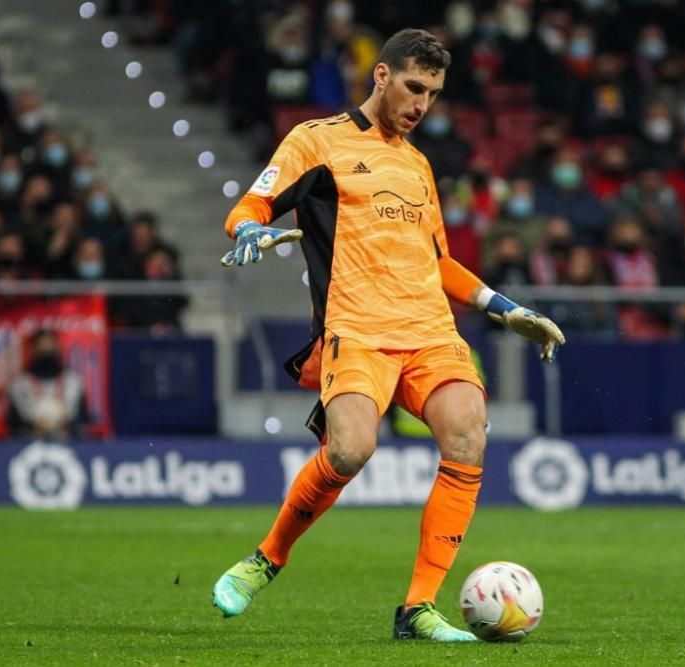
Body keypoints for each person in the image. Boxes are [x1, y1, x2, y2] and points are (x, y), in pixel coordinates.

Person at [212, 29, 564, 642]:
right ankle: (266, 559)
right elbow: (252, 205)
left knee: (468, 434)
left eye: (433, 93)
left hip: (429, 329)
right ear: (380, 76)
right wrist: (248, 232)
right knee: (350, 450)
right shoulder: (317, 141)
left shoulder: (418, 165)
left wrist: (505, 308)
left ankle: (418, 610)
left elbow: (439, 262)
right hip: (357, 329)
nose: (422, 104)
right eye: (413, 87)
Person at [7, 330, 88, 440]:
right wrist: (35, 429)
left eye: (50, 346)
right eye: (42, 347)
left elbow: (82, 419)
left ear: (57, 348)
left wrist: (66, 428)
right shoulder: (20, 384)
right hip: (30, 440)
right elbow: (14, 423)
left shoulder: (73, 381)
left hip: (68, 438)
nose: (46, 349)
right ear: (34, 350)